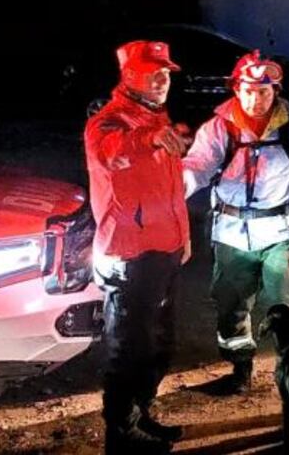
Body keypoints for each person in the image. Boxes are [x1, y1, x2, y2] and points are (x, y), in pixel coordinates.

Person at [182, 51, 289, 395]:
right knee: (230, 304)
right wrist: (173, 187)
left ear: (276, 90)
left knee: (284, 306)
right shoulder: (219, 127)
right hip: (231, 233)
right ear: (236, 89)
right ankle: (240, 370)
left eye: (264, 91)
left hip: (281, 230)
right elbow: (198, 166)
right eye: (248, 90)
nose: (255, 99)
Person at [85, 40, 192, 454]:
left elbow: (170, 192)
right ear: (130, 76)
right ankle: (122, 433)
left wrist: (182, 237)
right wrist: (150, 137)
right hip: (128, 255)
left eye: (166, 72)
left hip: (163, 250)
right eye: (154, 73)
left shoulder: (156, 120)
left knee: (158, 347)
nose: (163, 80)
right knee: (127, 350)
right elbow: (111, 152)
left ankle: (140, 415)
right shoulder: (109, 123)